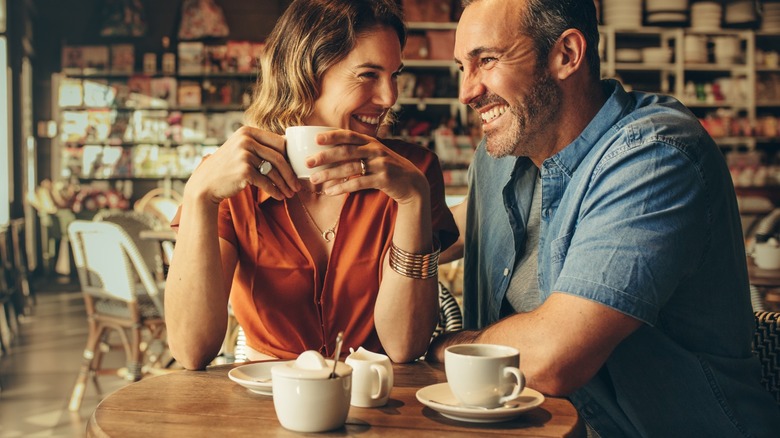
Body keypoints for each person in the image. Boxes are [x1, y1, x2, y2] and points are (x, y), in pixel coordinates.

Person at [430, 0, 780, 436]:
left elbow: (555, 358)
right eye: (463, 66)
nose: (467, 91)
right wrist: (389, 206)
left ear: (567, 55)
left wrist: (446, 346)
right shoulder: (502, 155)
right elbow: (466, 224)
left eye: (487, 60)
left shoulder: (654, 157)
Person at [165, 0, 458, 370]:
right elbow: (191, 350)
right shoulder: (230, 181)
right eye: (368, 74)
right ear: (305, 73)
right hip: (266, 403)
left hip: (378, 408)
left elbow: (404, 345)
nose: (389, 97)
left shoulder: (412, 173)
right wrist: (197, 197)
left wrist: (414, 200)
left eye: (394, 75)